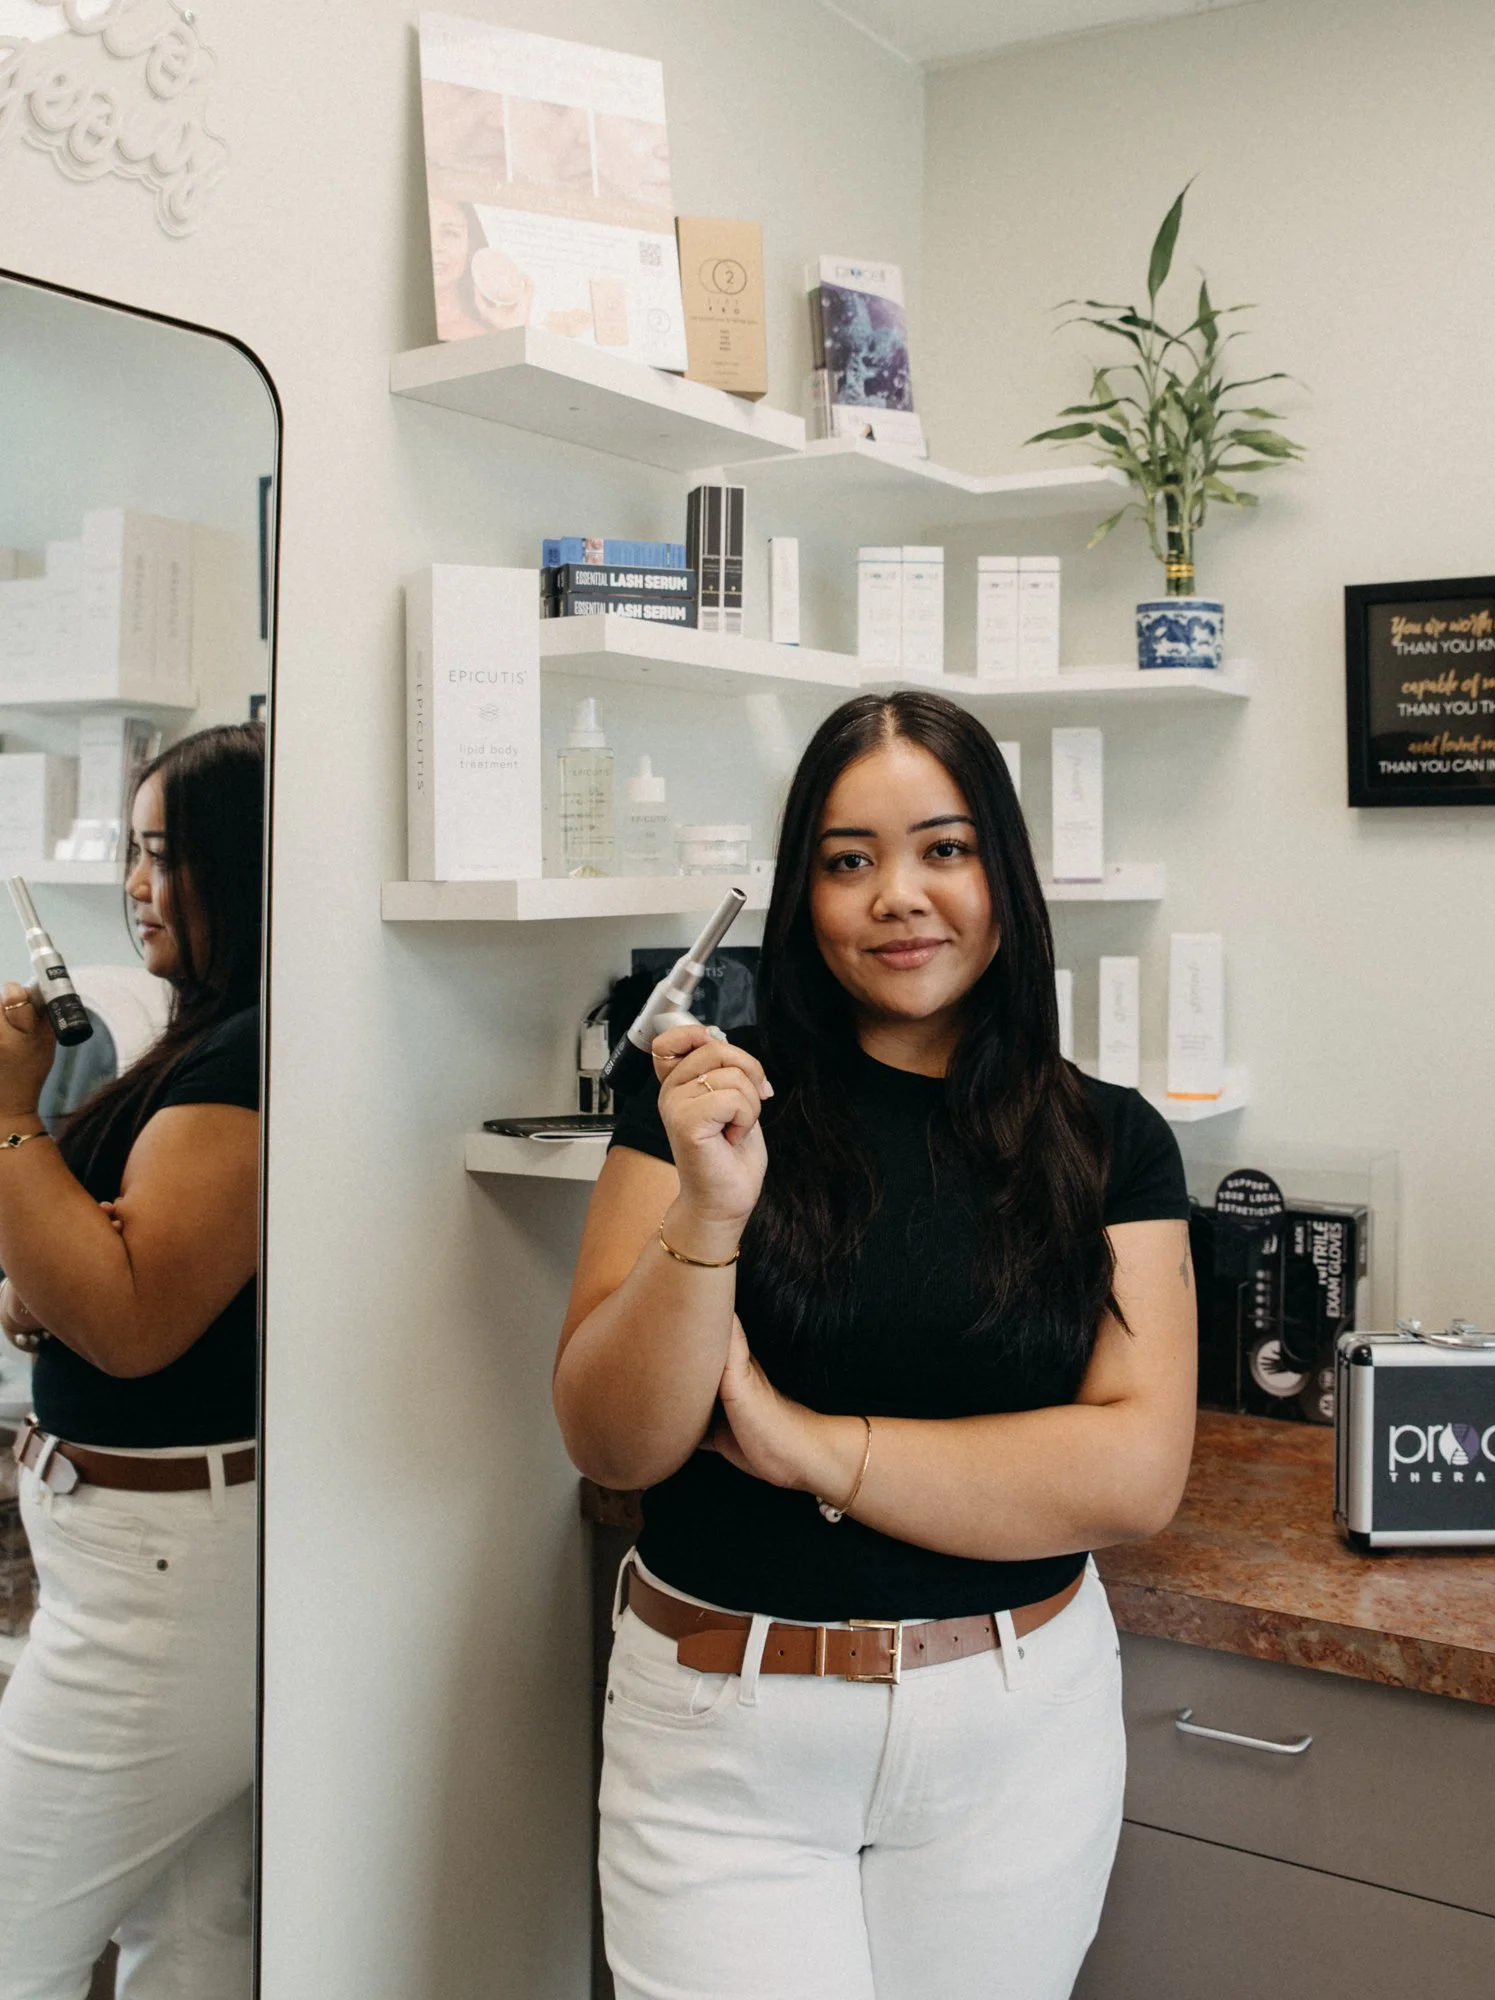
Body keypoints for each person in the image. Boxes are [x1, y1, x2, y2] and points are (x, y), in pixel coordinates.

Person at [556, 691, 1197, 2000]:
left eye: (942, 850)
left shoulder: (1110, 1141)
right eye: (850, 861)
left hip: (1014, 1735)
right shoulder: (704, 1108)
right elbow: (613, 1437)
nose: (898, 895)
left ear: (1002, 876)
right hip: (722, 1731)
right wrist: (709, 1211)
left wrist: (804, 1446)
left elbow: (1132, 1476)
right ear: (804, 894)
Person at [0, 723, 264, 2000]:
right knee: (194, 1944)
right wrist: (48, 1270)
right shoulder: (208, 1042)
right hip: (147, 1548)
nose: (137, 886)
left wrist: (6, 1110)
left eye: (167, 856)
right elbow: (109, 1276)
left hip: (162, 1581)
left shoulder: (243, 1060)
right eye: (134, 852)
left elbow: (134, 1317)